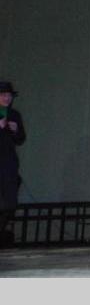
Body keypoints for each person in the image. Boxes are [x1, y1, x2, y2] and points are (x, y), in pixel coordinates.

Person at [0, 81, 26, 238]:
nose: (7, 98)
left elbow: (21, 139)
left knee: (10, 204)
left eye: (9, 95)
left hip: (9, 163)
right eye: (3, 95)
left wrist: (16, 131)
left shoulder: (14, 115)